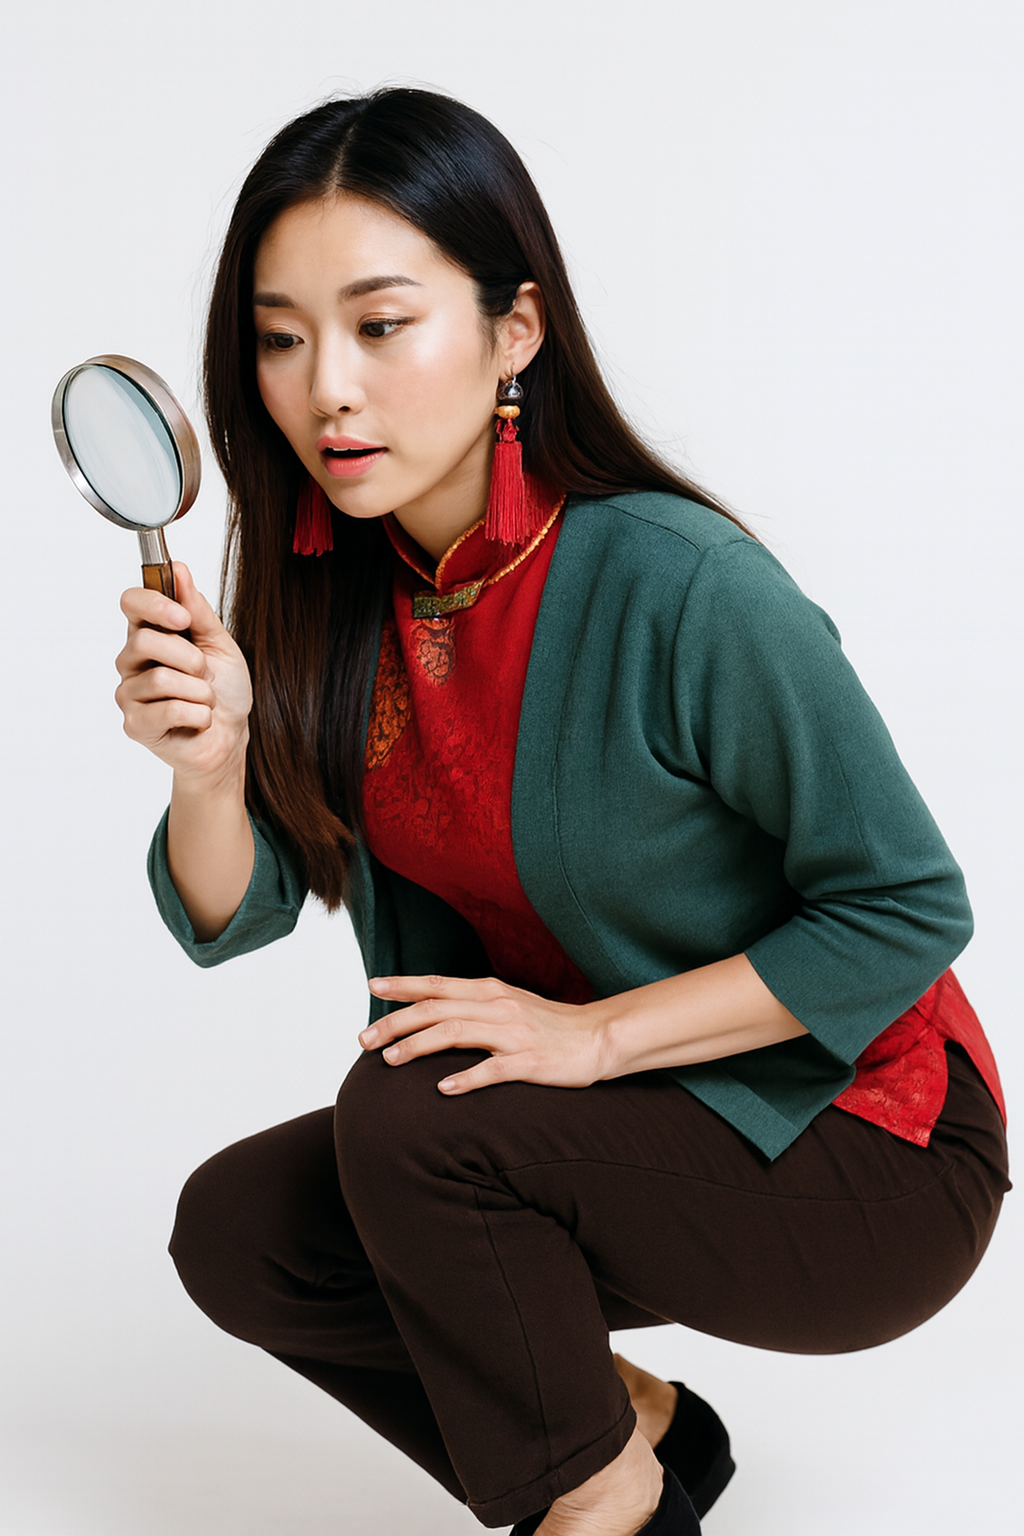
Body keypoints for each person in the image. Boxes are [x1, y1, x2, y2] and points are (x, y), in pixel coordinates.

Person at [114, 89, 1009, 1536]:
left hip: (860, 1144)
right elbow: (237, 915)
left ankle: (598, 1507)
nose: (327, 387)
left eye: (380, 324)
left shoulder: (685, 586)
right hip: (594, 1130)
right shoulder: (342, 593)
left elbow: (907, 909)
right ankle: (632, 1427)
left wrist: (594, 1040)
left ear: (514, 331)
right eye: (281, 338)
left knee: (415, 1117)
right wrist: (209, 768)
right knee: (247, 1235)